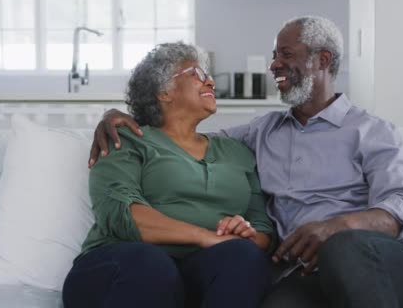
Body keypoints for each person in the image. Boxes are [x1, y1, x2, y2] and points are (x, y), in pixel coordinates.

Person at [89, 16, 403, 308]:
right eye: (274, 55)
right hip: (305, 272)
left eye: (286, 54)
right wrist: (116, 113)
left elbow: (402, 206)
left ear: (322, 60)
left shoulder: (371, 131)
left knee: (343, 249)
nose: (274, 64)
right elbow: (182, 138)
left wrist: (337, 227)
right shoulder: (261, 133)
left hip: (376, 261)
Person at [63, 42, 274, 308]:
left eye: (208, 76)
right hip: (121, 268)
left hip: (198, 271)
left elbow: (262, 228)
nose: (210, 82)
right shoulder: (126, 138)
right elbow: (121, 214)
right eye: (196, 74)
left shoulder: (236, 151)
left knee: (245, 255)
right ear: (164, 91)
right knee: (153, 265)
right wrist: (206, 236)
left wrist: (245, 233)